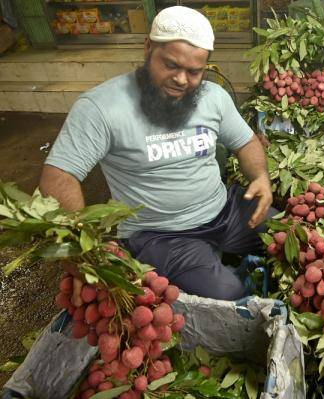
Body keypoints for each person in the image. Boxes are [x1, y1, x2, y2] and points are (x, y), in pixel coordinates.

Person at [39, 6, 274, 301]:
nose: (181, 80)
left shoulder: (213, 97)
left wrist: (261, 178)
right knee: (228, 294)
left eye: (194, 71)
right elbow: (58, 176)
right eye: (171, 65)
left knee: (291, 235)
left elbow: (246, 142)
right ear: (148, 48)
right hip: (160, 235)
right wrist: (79, 247)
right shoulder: (101, 107)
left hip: (223, 211)